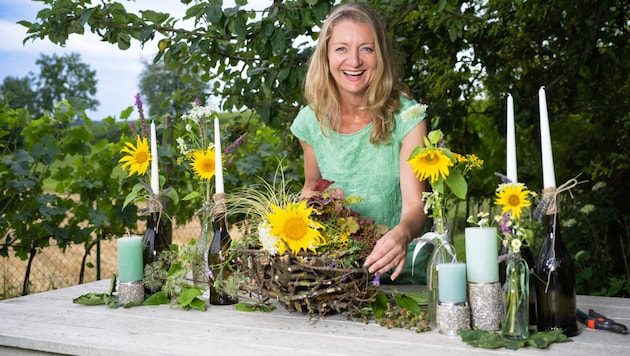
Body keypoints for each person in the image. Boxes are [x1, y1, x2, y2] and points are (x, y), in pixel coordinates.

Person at [290, 2, 430, 284]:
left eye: (366, 48)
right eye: (341, 48)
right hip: (338, 274)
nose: (353, 62)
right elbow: (311, 188)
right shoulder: (311, 120)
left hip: (401, 276)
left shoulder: (407, 116)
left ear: (381, 56)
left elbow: (416, 207)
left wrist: (401, 234)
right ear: (326, 55)